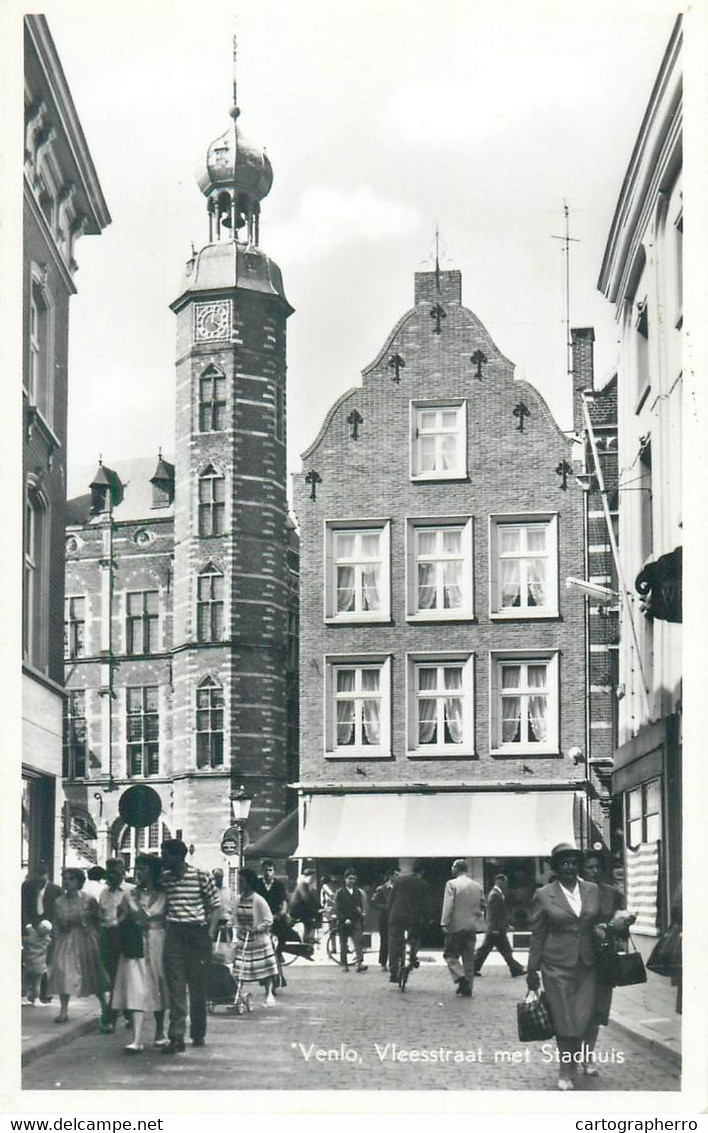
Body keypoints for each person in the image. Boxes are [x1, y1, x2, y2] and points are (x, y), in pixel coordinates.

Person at [526, 843, 603, 1090]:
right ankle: (565, 1070)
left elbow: (597, 922)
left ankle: (574, 1063)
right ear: (556, 867)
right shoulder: (544, 894)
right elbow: (537, 934)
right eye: (564, 863)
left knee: (581, 1020)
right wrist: (531, 970)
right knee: (564, 1020)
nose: (569, 867)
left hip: (587, 965)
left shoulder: (592, 890)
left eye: (573, 863)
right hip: (556, 966)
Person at [160, 838, 222, 1054]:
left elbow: (216, 906)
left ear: (179, 856)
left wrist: (210, 933)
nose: (162, 859)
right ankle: (176, 1037)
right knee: (176, 987)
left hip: (197, 934)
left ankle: (198, 1032)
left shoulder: (200, 876)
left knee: (197, 987)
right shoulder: (165, 879)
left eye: (165, 855)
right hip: (175, 934)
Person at [111, 854, 168, 1054]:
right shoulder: (129, 895)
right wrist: (125, 921)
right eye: (137, 868)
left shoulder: (164, 894)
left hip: (158, 942)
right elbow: (119, 919)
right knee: (136, 988)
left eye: (143, 868)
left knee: (158, 986)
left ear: (153, 871)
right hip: (135, 945)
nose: (139, 872)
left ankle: (160, 1032)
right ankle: (136, 1038)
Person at [46, 868, 109, 1026]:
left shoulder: (88, 899)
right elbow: (56, 924)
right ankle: (63, 1010)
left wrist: (99, 939)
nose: (67, 882)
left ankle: (105, 1007)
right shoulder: (59, 901)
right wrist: (56, 941)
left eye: (71, 879)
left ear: (79, 882)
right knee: (63, 971)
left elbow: (98, 919)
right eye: (65, 878)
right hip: (67, 939)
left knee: (93, 972)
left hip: (87, 938)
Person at [233, 868, 279, 1006]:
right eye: (238, 881)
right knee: (239, 969)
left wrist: (256, 929)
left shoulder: (259, 900)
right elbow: (233, 917)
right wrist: (229, 925)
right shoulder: (237, 900)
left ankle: (269, 994)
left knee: (265, 969)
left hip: (259, 941)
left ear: (249, 882)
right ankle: (237, 994)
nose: (240, 884)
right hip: (244, 940)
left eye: (242, 881)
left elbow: (268, 920)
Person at [440, 859, 484, 997]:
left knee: (450, 955)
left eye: (453, 867)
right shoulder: (477, 886)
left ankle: (461, 977)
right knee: (469, 959)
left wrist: (444, 922)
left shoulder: (452, 884)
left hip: (456, 926)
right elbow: (483, 905)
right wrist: (476, 917)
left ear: (457, 868)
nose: (451, 869)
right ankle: (468, 987)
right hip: (471, 926)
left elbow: (448, 905)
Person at [98, 857, 132, 1030]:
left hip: (124, 937)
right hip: (107, 936)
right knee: (112, 977)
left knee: (122, 977)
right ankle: (127, 1012)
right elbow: (100, 915)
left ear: (123, 873)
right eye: (109, 872)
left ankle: (110, 1017)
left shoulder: (130, 891)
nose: (111, 876)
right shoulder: (103, 893)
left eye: (116, 872)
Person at [21, 863, 61, 1003]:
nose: (39, 882)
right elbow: (22, 907)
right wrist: (28, 926)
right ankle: (27, 993)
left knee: (47, 962)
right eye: (37, 879)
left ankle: (44, 993)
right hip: (31, 927)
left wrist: (51, 928)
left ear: (47, 876)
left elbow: (58, 911)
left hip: (48, 929)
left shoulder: (56, 890)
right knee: (30, 961)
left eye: (42, 879)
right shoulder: (26, 887)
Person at [474, 874, 526, 978]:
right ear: (499, 881)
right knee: (497, 950)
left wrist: (506, 925)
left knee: (494, 950)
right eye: (504, 882)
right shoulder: (495, 895)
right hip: (496, 929)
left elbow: (499, 913)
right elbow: (494, 914)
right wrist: (495, 928)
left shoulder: (497, 893)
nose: (506, 884)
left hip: (496, 928)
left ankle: (515, 969)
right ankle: (516, 969)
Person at [387, 859, 430, 985]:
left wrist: (389, 915)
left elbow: (391, 900)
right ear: (422, 872)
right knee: (414, 939)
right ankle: (412, 958)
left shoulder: (399, 881)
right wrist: (427, 920)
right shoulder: (423, 884)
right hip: (412, 918)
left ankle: (393, 972)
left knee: (394, 943)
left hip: (396, 916)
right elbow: (425, 905)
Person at [254, 859, 289, 979]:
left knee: (285, 930)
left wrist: (282, 912)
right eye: (265, 870)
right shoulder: (257, 884)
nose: (268, 873)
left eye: (270, 870)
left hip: (276, 916)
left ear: (274, 871)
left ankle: (280, 952)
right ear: (262, 871)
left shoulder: (279, 884)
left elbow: (284, 901)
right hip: (262, 918)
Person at [333, 870, 368, 972]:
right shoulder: (339, 893)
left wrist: (361, 914)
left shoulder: (358, 892)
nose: (352, 881)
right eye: (350, 879)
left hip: (355, 919)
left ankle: (359, 963)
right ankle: (344, 964)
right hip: (344, 921)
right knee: (344, 944)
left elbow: (360, 905)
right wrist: (344, 918)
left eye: (354, 879)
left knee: (358, 941)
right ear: (345, 879)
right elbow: (337, 908)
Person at [370, 869, 398, 970]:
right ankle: (383, 963)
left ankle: (394, 962)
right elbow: (373, 902)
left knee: (396, 940)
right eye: (396, 875)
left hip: (396, 917)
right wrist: (384, 907)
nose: (397, 877)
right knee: (385, 940)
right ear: (390, 876)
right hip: (385, 917)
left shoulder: (399, 888)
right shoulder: (381, 889)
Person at [22, 920, 52, 1004]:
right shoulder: (47, 940)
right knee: (37, 984)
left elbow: (27, 936)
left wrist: (29, 927)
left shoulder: (31, 937)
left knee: (26, 982)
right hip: (40, 965)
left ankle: (23, 997)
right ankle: (36, 999)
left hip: (29, 963)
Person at [288, 866, 321, 944]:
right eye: (312, 877)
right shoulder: (302, 885)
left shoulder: (307, 886)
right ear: (307, 877)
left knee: (311, 919)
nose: (313, 879)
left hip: (301, 909)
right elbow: (306, 898)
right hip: (297, 910)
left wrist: (320, 907)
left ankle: (308, 939)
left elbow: (312, 899)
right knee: (310, 922)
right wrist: (315, 909)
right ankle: (307, 939)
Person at [211, 868, 236, 938]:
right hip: (214, 922)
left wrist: (231, 920)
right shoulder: (211, 891)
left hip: (227, 922)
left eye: (220, 877)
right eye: (216, 877)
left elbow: (234, 907)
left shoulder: (229, 891)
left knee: (226, 946)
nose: (218, 879)